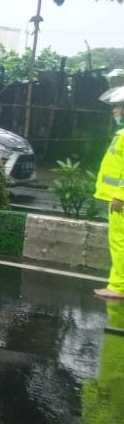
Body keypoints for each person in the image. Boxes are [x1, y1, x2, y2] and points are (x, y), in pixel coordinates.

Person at [95, 126, 124, 299]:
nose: (114, 111)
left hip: (121, 201)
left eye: (118, 107)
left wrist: (120, 195)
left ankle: (119, 287)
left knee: (120, 243)